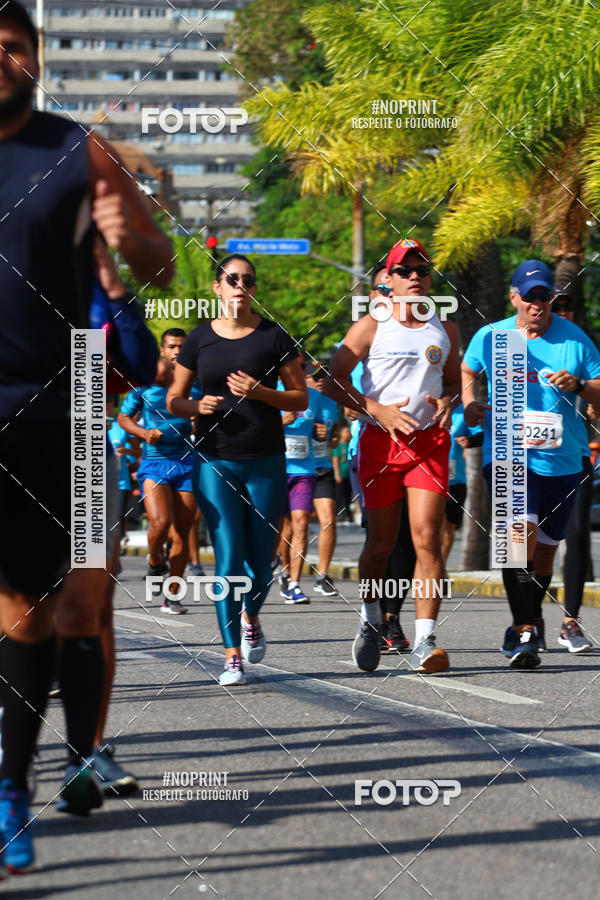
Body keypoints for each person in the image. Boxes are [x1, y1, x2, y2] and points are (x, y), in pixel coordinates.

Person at [0, 1, 173, 872]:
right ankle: (20, 782)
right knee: (20, 614)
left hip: (66, 412)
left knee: (77, 604)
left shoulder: (78, 152)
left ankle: (63, 766)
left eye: (12, 46)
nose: (0, 58)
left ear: (35, 58)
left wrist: (126, 243)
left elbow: (156, 269)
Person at [167, 254, 307, 685]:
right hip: (215, 458)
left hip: (265, 459)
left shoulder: (273, 336)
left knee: (262, 565)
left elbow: (299, 398)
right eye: (232, 279)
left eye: (247, 279)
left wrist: (261, 392)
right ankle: (231, 655)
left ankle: (251, 616)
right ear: (218, 287)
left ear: (253, 288)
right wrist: (196, 405)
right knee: (227, 559)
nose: (240, 285)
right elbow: (174, 398)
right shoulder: (198, 340)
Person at [325, 238, 461, 674]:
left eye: (422, 269)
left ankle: (426, 639)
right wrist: (377, 409)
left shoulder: (447, 327)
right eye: (405, 271)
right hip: (381, 444)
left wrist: (448, 401)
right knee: (380, 543)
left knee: (427, 537)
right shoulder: (371, 325)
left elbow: (455, 381)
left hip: (430, 445)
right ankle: (370, 622)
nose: (415, 277)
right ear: (389, 279)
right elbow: (331, 379)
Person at [462, 260, 600, 668]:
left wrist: (578, 385)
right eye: (530, 297)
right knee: (515, 538)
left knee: (544, 550)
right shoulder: (492, 335)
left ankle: (531, 618)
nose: (538, 304)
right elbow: (468, 369)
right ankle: (523, 629)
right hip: (506, 453)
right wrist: (470, 402)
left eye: (545, 296)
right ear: (514, 298)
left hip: (562, 460)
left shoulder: (575, 341)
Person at [119, 329, 201, 614]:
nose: (178, 350)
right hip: (154, 461)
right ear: (163, 350)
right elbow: (123, 417)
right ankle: (154, 560)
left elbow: (206, 415)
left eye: (182, 346)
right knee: (160, 523)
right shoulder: (146, 384)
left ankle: (172, 595)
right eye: (172, 346)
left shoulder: (196, 383)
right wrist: (143, 432)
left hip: (187, 463)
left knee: (184, 529)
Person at [549, 283, 594, 652]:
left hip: (575, 456)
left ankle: (570, 622)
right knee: (523, 540)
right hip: (526, 459)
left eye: (568, 306)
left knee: (576, 536)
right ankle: (526, 620)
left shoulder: (581, 346)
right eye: (555, 305)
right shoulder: (516, 341)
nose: (562, 312)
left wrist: (588, 395)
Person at [306, 361, 341, 596]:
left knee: (328, 519)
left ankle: (323, 574)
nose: (320, 380)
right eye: (315, 376)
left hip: (322, 468)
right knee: (291, 526)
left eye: (324, 376)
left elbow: (334, 431)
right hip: (294, 470)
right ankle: (287, 571)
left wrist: (333, 438)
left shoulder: (332, 404)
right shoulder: (294, 400)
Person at [441, 403, 482, 565]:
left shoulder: (462, 410)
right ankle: (427, 564)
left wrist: (469, 441)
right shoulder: (427, 404)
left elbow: (479, 433)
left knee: (449, 528)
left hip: (455, 479)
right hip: (427, 477)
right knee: (430, 525)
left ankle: (439, 566)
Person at [332, 423, 353, 522]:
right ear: (341, 433)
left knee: (348, 496)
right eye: (346, 432)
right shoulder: (338, 445)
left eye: (349, 432)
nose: (348, 434)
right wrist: (337, 474)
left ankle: (348, 515)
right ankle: (336, 515)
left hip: (349, 475)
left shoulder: (350, 444)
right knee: (339, 496)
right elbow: (335, 460)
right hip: (340, 475)